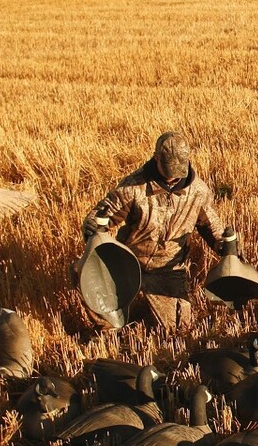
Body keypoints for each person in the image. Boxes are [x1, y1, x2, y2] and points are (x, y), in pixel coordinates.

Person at [80, 132, 233, 330]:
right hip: (128, 263)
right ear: (156, 159)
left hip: (167, 270)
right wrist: (91, 225)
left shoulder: (198, 191)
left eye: (178, 171)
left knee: (178, 330)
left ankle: (145, 307)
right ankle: (109, 327)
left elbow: (210, 225)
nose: (172, 177)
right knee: (81, 271)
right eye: (168, 169)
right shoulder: (133, 187)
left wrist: (225, 246)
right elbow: (103, 215)